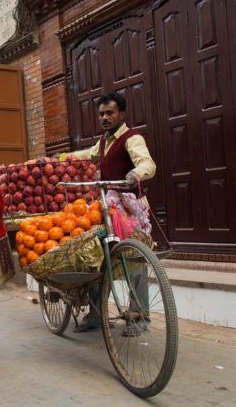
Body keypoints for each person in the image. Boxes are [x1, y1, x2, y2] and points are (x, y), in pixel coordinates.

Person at [72, 92, 157, 333]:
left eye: (110, 113)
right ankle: (96, 316)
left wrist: (136, 174)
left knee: (135, 261)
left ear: (122, 113)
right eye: (101, 114)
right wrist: (61, 158)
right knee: (97, 258)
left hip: (130, 211)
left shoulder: (132, 138)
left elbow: (147, 163)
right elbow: (87, 155)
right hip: (107, 208)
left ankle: (140, 318)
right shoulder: (103, 142)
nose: (105, 118)